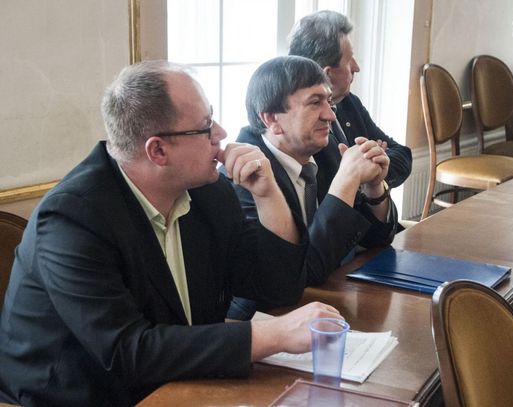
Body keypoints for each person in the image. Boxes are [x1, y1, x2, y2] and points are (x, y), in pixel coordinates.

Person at [0, 60, 343, 407]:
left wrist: (269, 195)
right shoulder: (72, 219)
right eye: (205, 126)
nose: (221, 133)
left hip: (176, 383)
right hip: (75, 398)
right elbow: (127, 351)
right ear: (158, 150)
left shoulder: (208, 192)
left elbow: (278, 287)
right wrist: (272, 335)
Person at [224, 56, 398, 321]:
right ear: (272, 119)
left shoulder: (326, 150)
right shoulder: (244, 176)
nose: (330, 115)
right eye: (315, 103)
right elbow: (305, 271)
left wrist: (374, 187)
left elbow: (378, 240)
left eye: (329, 101)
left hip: (330, 298)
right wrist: (346, 182)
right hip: (266, 318)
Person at [288, 10, 412, 189]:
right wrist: (364, 169)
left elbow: (402, 154)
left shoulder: (349, 103)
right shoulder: (299, 123)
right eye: (349, 60)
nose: (357, 67)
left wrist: (372, 167)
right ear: (327, 74)